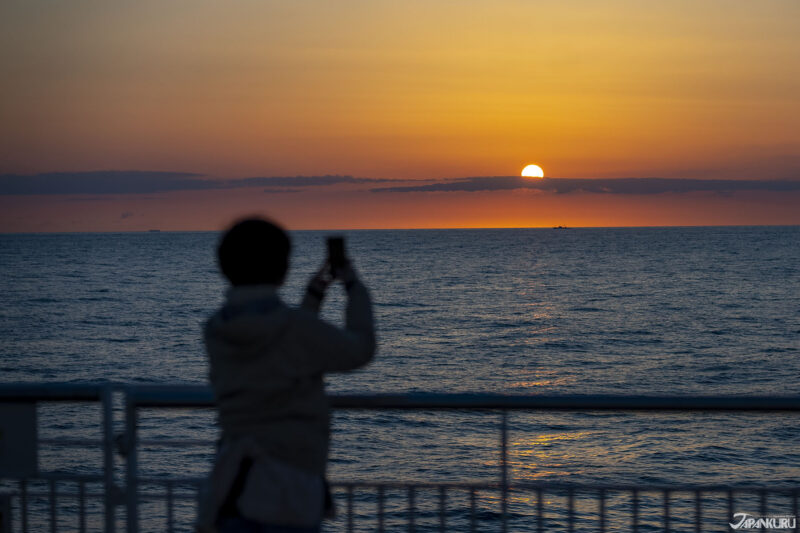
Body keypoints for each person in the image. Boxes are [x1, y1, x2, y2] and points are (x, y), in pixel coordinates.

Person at [196, 218, 375, 533]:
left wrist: (315, 294)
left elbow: (280, 340)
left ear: (225, 267)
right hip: (289, 493)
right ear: (283, 269)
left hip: (231, 486)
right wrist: (353, 286)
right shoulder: (297, 330)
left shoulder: (216, 329)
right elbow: (359, 349)